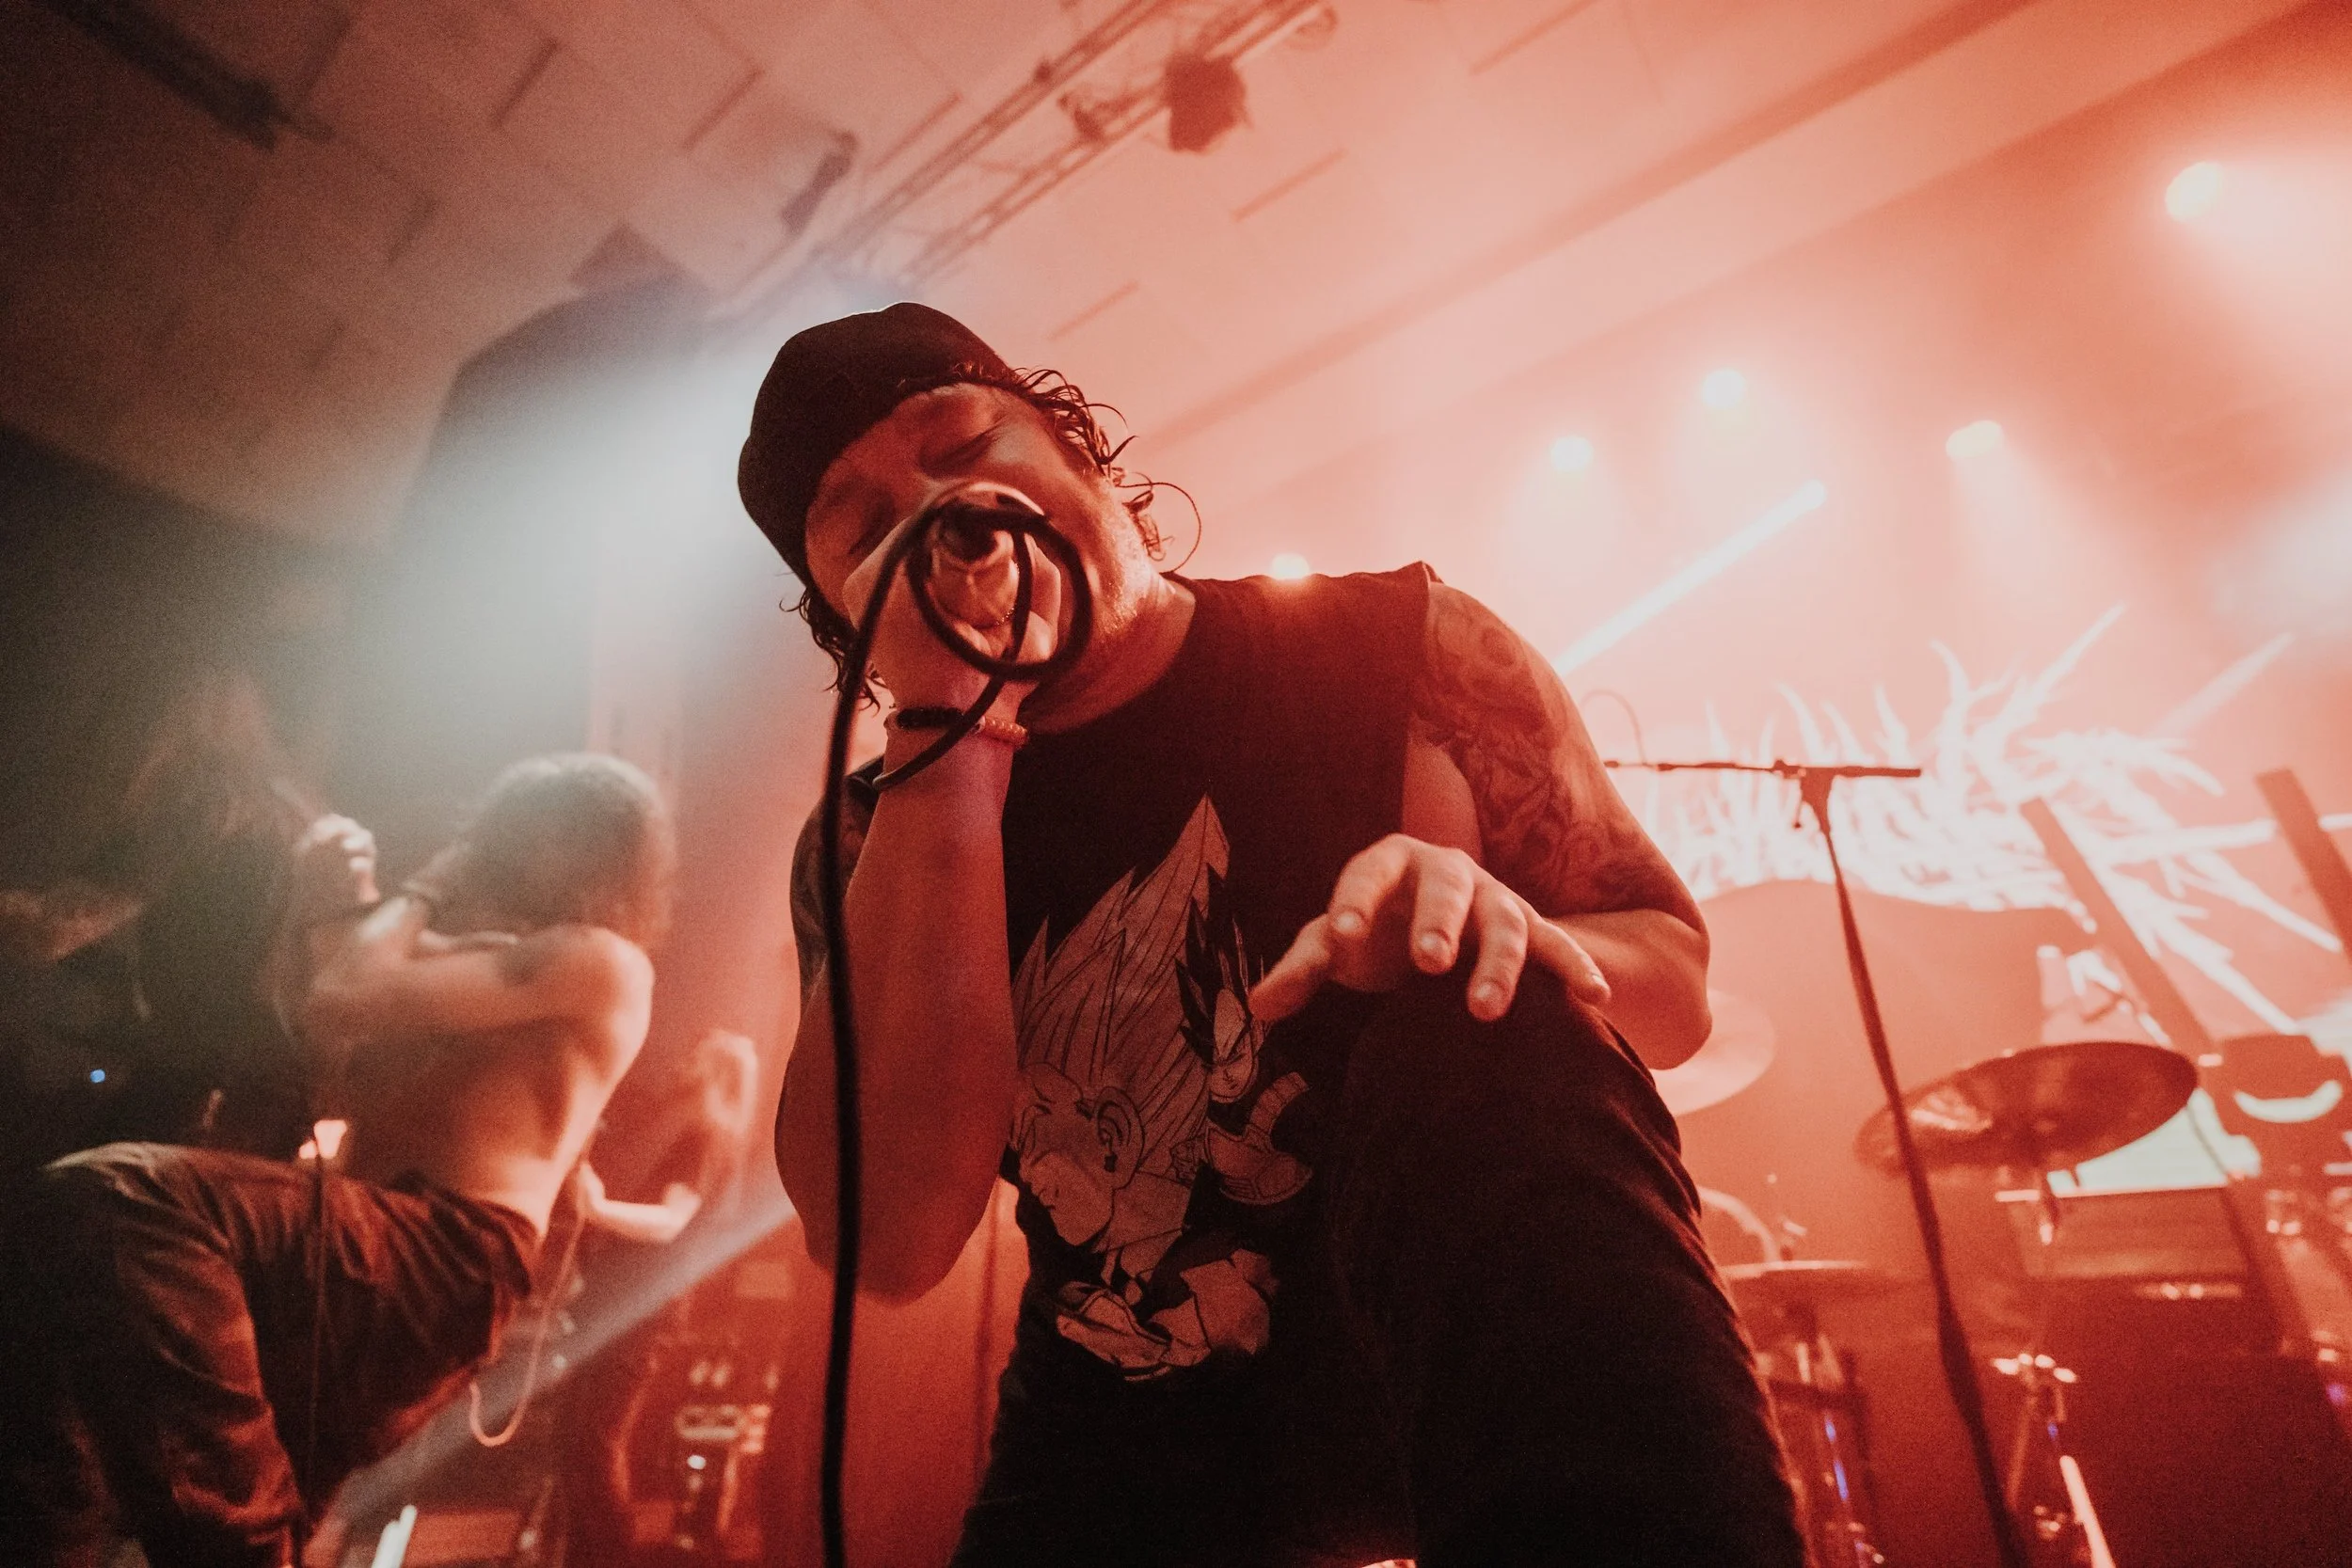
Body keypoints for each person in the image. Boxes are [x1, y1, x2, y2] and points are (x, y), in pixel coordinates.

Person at [738, 304, 1804, 1565]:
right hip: (1124, 1445)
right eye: (864, 526)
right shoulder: (872, 846)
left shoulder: (1398, 646)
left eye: (961, 440)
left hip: (1480, 1349)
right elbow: (893, 1239)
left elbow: (1673, 983)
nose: (935, 509)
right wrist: (952, 727)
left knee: (1490, 1029)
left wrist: (1508, 928)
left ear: (1081, 452)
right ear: (846, 618)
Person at [0, 752, 675, 1568]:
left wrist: (424, 882)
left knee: (116, 1192)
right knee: (55, 1291)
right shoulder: (492, 962)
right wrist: (349, 909)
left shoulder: (601, 959)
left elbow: (345, 992)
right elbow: (340, 1033)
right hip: (363, 1258)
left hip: (434, 1254)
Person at [0, 667, 318, 1188]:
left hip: (205, 1078)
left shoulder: (201, 801)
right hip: (267, 1080)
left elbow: (52, 932)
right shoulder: (285, 806)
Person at [557, 1026, 762, 1568]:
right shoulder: (703, 1139)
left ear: (716, 1074)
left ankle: (609, 1558)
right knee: (579, 1442)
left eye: (694, 1060)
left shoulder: (709, 1139)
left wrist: (598, 1209)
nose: (681, 1069)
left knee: (593, 1443)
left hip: (640, 1318)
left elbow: (670, 1223)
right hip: (625, 1311)